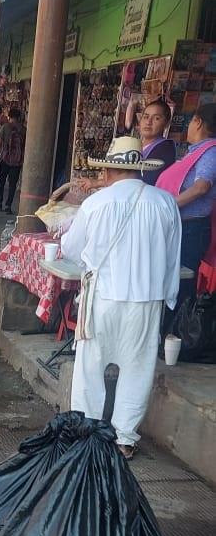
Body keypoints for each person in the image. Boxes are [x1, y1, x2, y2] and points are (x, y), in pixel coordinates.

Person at [61, 136, 181, 458]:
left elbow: (71, 250)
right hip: (145, 301)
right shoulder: (165, 202)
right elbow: (173, 258)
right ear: (138, 170)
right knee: (137, 369)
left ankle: (87, 433)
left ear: (110, 171)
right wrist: (168, 297)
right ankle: (124, 439)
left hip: (102, 298)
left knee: (90, 368)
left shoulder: (95, 204)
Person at [156, 104, 216, 284]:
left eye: (191, 121)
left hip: (191, 228)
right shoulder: (197, 151)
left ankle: (183, 313)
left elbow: (202, 186)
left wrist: (170, 203)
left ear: (197, 122)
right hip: (183, 225)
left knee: (182, 280)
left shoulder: (211, 151)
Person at [124, 98, 175, 184]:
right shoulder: (137, 145)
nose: (148, 122)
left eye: (156, 118)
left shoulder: (164, 148)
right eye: (146, 117)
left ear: (166, 124)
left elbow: (147, 180)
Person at [0, 108, 26, 213]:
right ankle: (8, 205)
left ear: (10, 116)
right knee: (12, 184)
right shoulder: (23, 129)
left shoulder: (5, 127)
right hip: (17, 161)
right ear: (18, 117)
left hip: (5, 158)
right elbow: (25, 147)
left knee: (1, 181)